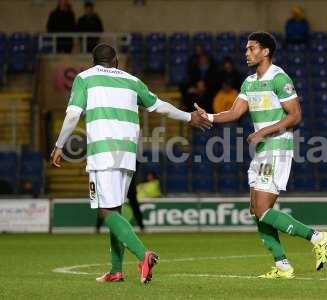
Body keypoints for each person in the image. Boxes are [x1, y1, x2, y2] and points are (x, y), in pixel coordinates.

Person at [50, 43, 211, 284]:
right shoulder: (132, 80)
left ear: (94, 62)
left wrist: (59, 145)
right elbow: (161, 107)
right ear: (115, 61)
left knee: (106, 212)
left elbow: (73, 114)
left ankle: (143, 254)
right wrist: (189, 117)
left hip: (103, 153)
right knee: (115, 209)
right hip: (127, 154)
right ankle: (116, 271)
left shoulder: (85, 78)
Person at [195, 32, 327, 279]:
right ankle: (282, 265)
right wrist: (210, 117)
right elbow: (235, 113)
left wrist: (263, 132)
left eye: (251, 48)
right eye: (246, 49)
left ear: (266, 51)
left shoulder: (280, 78)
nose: (246, 53)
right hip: (262, 151)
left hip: (277, 147)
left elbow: (295, 115)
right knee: (256, 209)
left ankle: (317, 237)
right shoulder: (249, 82)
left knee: (262, 209)